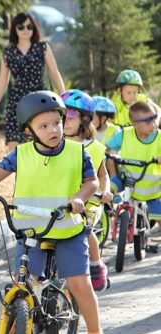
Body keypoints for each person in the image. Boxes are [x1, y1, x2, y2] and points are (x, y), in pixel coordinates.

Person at [0, 90, 110, 334]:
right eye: (43, 126)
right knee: (25, 280)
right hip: (32, 231)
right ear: (28, 131)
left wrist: (79, 199)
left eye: (57, 123)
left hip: (68, 229)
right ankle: (19, 329)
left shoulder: (77, 151)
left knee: (79, 283)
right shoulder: (20, 154)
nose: (53, 130)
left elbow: (92, 182)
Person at [0, 12, 65, 151]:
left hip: (40, 100)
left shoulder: (42, 47)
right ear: (15, 29)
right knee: (14, 144)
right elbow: (2, 82)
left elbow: (54, 73)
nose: (25, 30)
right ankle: (19, 172)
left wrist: (64, 97)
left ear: (34, 28)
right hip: (17, 102)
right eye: (21, 27)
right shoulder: (8, 52)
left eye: (29, 26)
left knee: (41, 142)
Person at [62, 89, 112, 292]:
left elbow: (103, 175)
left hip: (89, 200)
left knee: (84, 229)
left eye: (71, 116)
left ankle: (96, 264)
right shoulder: (54, 144)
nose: (65, 121)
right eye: (61, 115)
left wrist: (106, 191)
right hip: (63, 197)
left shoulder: (94, 147)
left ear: (84, 120)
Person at [106, 101, 161, 228]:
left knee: (159, 216)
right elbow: (108, 148)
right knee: (107, 189)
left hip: (151, 188)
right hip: (126, 179)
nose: (153, 124)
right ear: (134, 124)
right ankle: (103, 214)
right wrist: (109, 154)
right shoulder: (125, 134)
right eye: (148, 121)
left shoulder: (159, 137)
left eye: (154, 119)